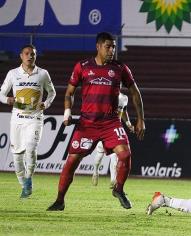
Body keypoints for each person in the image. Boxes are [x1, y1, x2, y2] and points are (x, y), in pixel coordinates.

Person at [47, 32, 145, 211]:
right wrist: (67, 113)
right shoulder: (82, 66)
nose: (112, 50)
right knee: (72, 160)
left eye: (114, 47)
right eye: (108, 46)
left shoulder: (120, 68)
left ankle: (119, 189)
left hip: (111, 122)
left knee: (125, 154)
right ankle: (60, 200)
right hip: (88, 123)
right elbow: (69, 92)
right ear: (98, 46)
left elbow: (135, 92)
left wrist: (141, 119)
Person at [0, 44, 56, 198]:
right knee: (17, 155)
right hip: (17, 118)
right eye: (27, 53)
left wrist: (45, 103)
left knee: (31, 149)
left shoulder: (43, 74)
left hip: (35, 118)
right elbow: (1, 94)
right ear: (21, 56)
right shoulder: (13, 74)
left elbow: (52, 93)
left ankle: (29, 179)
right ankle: (23, 184)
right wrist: (8, 99)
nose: (30, 56)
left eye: (33, 54)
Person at [92, 92, 134, 187]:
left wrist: (128, 124)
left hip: (115, 130)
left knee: (114, 156)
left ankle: (113, 180)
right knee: (99, 156)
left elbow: (124, 111)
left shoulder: (124, 98)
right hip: (104, 128)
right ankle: (95, 171)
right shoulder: (105, 95)